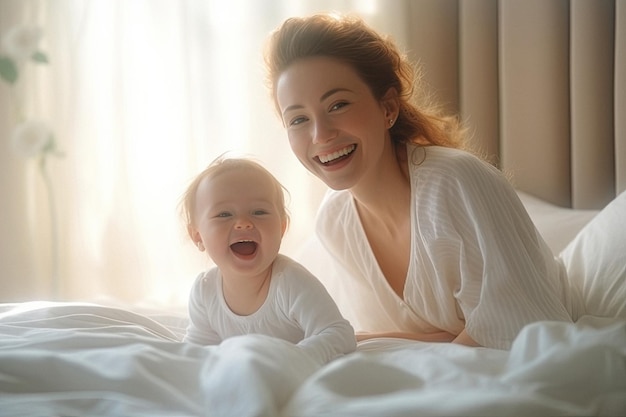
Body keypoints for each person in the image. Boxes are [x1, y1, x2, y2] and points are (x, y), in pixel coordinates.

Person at [263, 13, 594, 350]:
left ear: (388, 107)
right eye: (299, 119)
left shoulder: (457, 184)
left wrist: (369, 342)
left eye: (338, 104)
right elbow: (420, 342)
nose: (321, 134)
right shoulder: (334, 223)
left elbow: (517, 328)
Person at [180, 156, 356, 363]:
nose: (243, 223)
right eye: (224, 214)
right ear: (198, 236)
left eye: (259, 212)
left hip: (294, 374)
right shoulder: (205, 290)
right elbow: (198, 349)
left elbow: (339, 333)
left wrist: (299, 357)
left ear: (282, 228)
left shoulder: (291, 282)